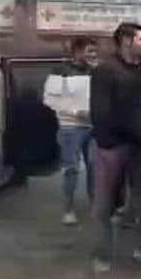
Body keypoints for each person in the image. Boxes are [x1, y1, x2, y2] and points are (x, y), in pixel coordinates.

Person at [89, 22, 141, 272]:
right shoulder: (105, 70)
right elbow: (99, 111)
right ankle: (102, 254)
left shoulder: (139, 70)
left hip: (139, 144)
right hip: (113, 146)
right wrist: (106, 145)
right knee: (104, 202)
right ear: (125, 40)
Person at [44, 35, 98, 225]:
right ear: (77, 51)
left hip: (94, 126)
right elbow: (50, 99)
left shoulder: (97, 72)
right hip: (70, 127)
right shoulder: (61, 71)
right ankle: (68, 209)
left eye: (95, 51)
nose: (93, 55)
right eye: (89, 51)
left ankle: (96, 207)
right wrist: (75, 112)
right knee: (72, 169)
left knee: (95, 167)